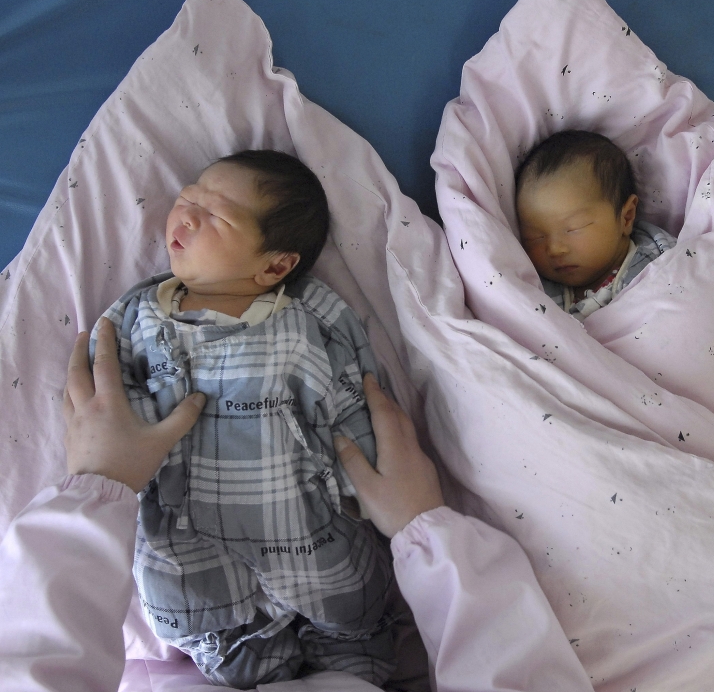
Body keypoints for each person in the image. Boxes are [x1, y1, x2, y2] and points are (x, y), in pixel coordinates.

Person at [0, 319, 594, 692]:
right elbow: (510, 664)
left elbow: (28, 659)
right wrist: (425, 527)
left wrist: (100, 485)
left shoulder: (304, 321)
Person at [92, 150, 395, 686]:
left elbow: (355, 385)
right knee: (232, 659)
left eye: (216, 216)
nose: (185, 216)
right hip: (191, 551)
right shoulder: (139, 314)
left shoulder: (308, 318)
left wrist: (371, 477)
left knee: (357, 635)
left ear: (275, 266)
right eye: (187, 199)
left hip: (308, 530)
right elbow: (111, 389)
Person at [515, 130, 675, 321]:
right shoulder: (536, 290)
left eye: (574, 228)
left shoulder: (661, 264)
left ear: (626, 217)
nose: (555, 249)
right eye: (534, 237)